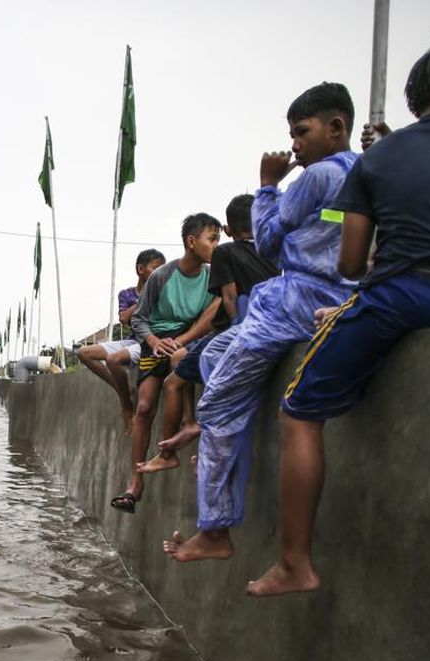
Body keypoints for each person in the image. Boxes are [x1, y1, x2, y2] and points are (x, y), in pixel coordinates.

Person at [248, 34, 430, 597]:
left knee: (298, 411)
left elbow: (352, 263)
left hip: (405, 296)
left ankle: (295, 562)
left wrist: (378, 169)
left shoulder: (377, 163)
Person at [163, 82, 359, 561]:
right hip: (328, 299)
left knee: (217, 403)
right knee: (213, 358)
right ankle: (215, 441)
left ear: (336, 128)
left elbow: (268, 242)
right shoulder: (363, 171)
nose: (293, 145)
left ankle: (214, 530)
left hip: (292, 305)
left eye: (300, 132)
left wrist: (267, 182)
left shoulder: (316, 178)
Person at [152, 193, 281, 458]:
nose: (216, 243)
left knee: (173, 382)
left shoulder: (225, 253)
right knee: (180, 358)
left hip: (234, 332)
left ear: (228, 229)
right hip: (266, 326)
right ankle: (192, 424)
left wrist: (237, 335)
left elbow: (230, 297)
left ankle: (170, 451)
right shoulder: (271, 251)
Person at [109, 214, 218, 514]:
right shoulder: (162, 276)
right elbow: (140, 319)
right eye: (212, 239)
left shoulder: (213, 277)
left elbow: (211, 317)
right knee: (144, 408)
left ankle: (180, 435)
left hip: (188, 338)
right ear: (191, 242)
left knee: (181, 364)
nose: (216, 245)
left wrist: (182, 339)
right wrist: (156, 342)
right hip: (155, 339)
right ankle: (135, 484)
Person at [77, 249, 166, 434]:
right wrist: (147, 296)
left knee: (114, 359)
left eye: (162, 269)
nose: (160, 273)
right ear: (140, 269)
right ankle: (123, 394)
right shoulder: (127, 294)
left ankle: (126, 404)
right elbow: (124, 318)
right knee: (84, 353)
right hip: (133, 340)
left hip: (152, 343)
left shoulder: (165, 292)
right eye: (156, 268)